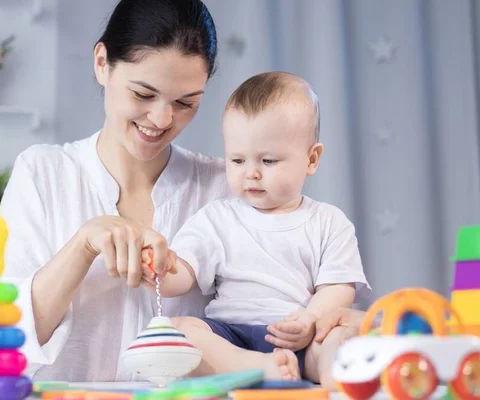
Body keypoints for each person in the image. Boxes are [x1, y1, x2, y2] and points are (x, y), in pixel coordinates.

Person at [0, 0, 230, 382]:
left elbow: (262, 316)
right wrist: (83, 244)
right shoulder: (43, 174)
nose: (162, 119)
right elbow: (9, 341)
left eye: (185, 103)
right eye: (143, 94)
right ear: (102, 63)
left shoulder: (221, 188)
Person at [139, 72, 371, 387]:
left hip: (297, 335)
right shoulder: (217, 218)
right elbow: (184, 274)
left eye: (269, 161)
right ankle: (257, 366)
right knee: (178, 330)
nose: (251, 173)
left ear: (311, 159)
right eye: (237, 160)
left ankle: (332, 383)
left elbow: (338, 288)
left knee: (340, 338)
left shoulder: (328, 222)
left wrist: (311, 319)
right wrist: (160, 270)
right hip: (229, 336)